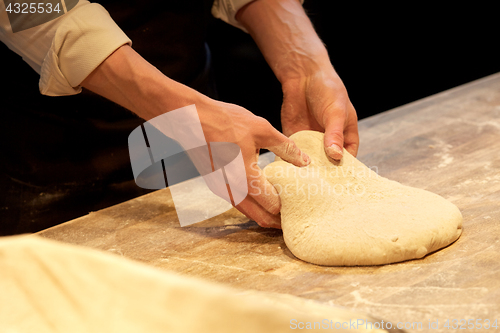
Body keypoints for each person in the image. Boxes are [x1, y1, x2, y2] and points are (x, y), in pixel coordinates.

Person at [0, 0, 358, 235]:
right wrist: (183, 115)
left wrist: (304, 65)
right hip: (55, 157)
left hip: (200, 146)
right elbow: (28, 7)